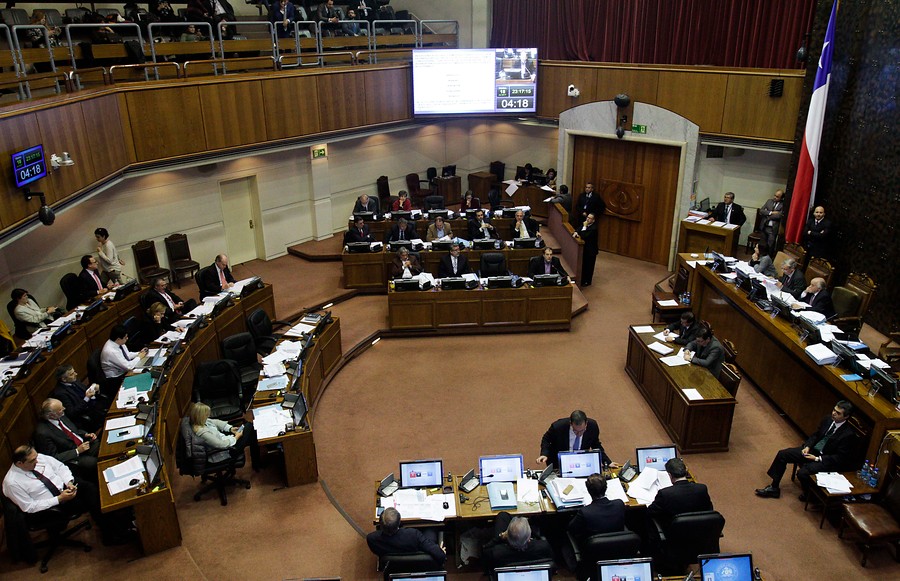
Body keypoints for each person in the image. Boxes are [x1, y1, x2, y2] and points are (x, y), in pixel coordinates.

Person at [3, 445, 135, 546]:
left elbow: (60, 467)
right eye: (32, 461)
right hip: (50, 508)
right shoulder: (12, 483)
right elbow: (29, 507)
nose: (37, 461)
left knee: (92, 488)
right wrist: (59, 499)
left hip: (66, 489)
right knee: (93, 501)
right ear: (19, 463)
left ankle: (124, 522)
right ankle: (112, 535)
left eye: (36, 457)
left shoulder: (38, 458)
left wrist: (69, 482)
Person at [755, 401, 856, 501]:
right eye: (834, 410)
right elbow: (816, 435)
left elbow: (840, 458)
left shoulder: (848, 434)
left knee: (802, 473)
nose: (833, 413)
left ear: (846, 417)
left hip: (825, 460)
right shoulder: (828, 419)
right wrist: (807, 446)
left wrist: (817, 458)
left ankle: (811, 496)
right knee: (783, 454)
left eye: (838, 413)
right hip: (813, 450)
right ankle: (774, 487)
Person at [33, 399, 100, 481]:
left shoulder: (61, 416)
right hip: (73, 456)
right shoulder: (42, 433)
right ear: (51, 415)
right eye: (60, 409)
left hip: (83, 445)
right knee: (95, 463)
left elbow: (73, 430)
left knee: (102, 445)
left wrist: (85, 434)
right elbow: (53, 458)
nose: (64, 408)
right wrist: (77, 451)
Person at [366, 507, 447, 565]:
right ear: (399, 522)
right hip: (417, 558)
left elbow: (377, 552)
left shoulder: (371, 538)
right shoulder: (413, 534)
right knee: (431, 528)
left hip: (394, 564)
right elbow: (440, 556)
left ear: (380, 524)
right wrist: (441, 552)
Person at [648, 458, 713, 528]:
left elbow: (651, 511)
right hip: (700, 528)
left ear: (670, 475)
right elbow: (709, 509)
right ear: (686, 470)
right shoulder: (702, 488)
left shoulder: (664, 493)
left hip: (675, 530)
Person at [189, 402, 259, 468]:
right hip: (225, 451)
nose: (208, 416)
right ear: (200, 417)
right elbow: (221, 445)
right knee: (249, 427)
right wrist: (236, 437)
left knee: (251, 434)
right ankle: (256, 462)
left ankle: (256, 462)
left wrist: (230, 428)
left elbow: (216, 422)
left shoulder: (201, 422)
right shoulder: (203, 433)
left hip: (226, 441)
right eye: (206, 415)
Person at [482, 512, 554, 572]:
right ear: (529, 538)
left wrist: (500, 536)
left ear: (507, 537)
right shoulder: (543, 546)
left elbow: (485, 550)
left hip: (507, 561)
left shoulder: (496, 552)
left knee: (502, 516)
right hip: (531, 560)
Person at [536, 410, 610, 467]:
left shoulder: (592, 426)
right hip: (559, 461)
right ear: (571, 424)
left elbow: (595, 444)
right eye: (575, 431)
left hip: (581, 461)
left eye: (582, 430)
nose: (579, 434)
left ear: (586, 423)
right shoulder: (558, 427)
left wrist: (607, 462)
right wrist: (544, 454)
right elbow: (546, 439)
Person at [567, 474, 626, 542]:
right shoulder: (619, 504)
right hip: (618, 544)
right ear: (606, 488)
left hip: (594, 546)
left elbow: (571, 529)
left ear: (588, 490)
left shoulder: (585, 512)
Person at [51, 365, 105, 433]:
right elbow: (72, 413)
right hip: (87, 414)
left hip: (95, 404)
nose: (76, 374)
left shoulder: (74, 380)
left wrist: (94, 388)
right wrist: (86, 398)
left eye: (74, 372)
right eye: (72, 374)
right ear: (64, 379)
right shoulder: (61, 393)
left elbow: (86, 390)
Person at [573, 212, 598, 286]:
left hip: (591, 251)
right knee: (584, 265)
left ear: (593, 220)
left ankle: (587, 281)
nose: (587, 219)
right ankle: (582, 280)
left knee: (589, 266)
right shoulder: (585, 224)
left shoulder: (594, 228)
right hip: (585, 249)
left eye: (590, 218)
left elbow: (584, 236)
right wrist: (576, 232)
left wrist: (584, 227)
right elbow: (578, 229)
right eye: (587, 217)